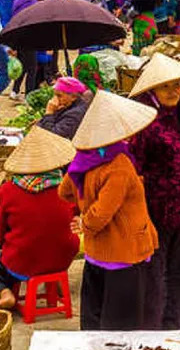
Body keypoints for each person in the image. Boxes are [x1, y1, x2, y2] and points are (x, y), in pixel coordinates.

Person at [59, 91, 159, 330]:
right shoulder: (119, 164)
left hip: (97, 252)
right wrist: (86, 222)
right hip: (123, 253)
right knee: (121, 326)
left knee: (94, 319)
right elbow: (103, 212)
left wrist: (84, 216)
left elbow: (65, 192)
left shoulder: (84, 160)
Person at [127, 54, 180, 330]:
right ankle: (153, 336)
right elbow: (134, 170)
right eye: (166, 86)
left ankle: (176, 331)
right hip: (155, 212)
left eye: (177, 85)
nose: (174, 91)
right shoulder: (143, 120)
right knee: (155, 279)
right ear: (152, 90)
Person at [0, 127, 80, 310]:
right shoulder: (66, 186)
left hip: (26, 260)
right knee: (48, 239)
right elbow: (74, 214)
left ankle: (5, 293)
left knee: (8, 257)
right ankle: (56, 280)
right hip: (63, 255)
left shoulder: (8, 190)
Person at [10, 0, 51, 98]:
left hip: (18, 36)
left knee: (24, 65)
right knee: (33, 67)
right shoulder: (33, 2)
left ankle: (15, 90)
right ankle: (29, 95)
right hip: (29, 37)